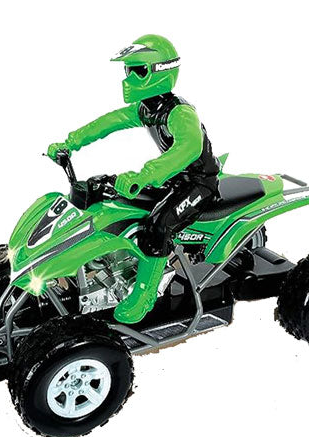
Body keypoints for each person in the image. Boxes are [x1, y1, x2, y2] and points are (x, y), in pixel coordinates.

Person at [48, 34, 220, 324]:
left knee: (158, 226)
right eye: (128, 70)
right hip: (172, 179)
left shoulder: (180, 113)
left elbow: (188, 148)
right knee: (114, 202)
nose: (128, 79)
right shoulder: (147, 108)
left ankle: (144, 295)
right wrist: (71, 142)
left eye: (138, 71)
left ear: (161, 72)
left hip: (199, 182)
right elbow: (109, 122)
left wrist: (144, 175)